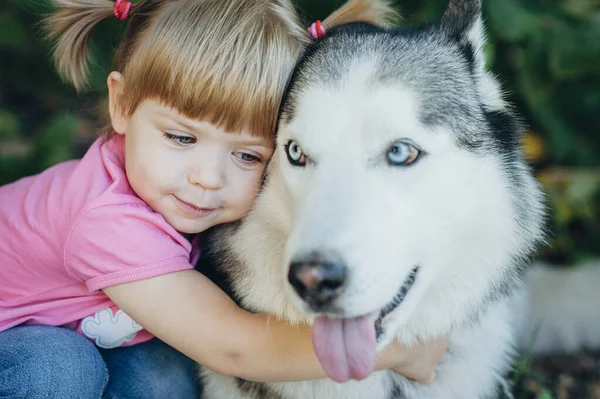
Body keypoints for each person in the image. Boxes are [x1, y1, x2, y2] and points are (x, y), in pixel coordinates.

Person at [0, 0, 448, 397]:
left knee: (164, 375)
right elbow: (232, 347)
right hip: (22, 347)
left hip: (68, 333)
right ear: (121, 104)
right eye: (180, 137)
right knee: (58, 369)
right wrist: (394, 350)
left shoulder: (168, 187)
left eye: (248, 155)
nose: (208, 177)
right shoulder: (105, 221)